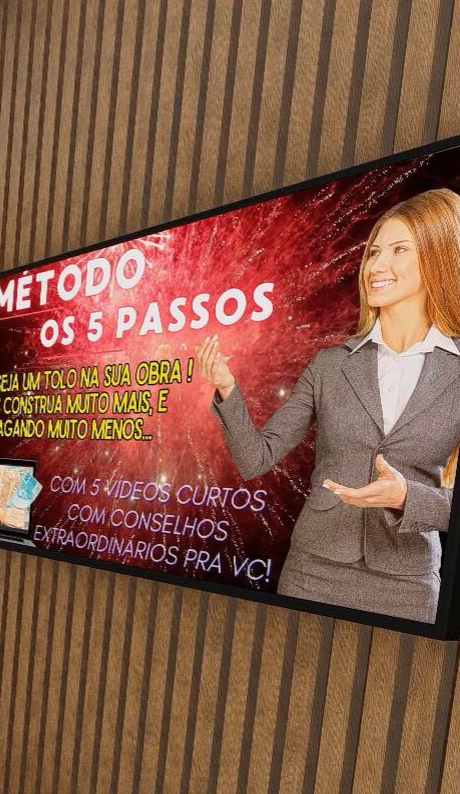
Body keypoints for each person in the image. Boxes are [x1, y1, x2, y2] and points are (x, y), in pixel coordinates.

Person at [195, 187, 460, 624]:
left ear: (438, 257)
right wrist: (226, 388)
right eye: (374, 252)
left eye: (398, 250)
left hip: (407, 583)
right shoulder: (331, 364)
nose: (377, 266)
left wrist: (408, 497)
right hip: (313, 569)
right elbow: (255, 458)